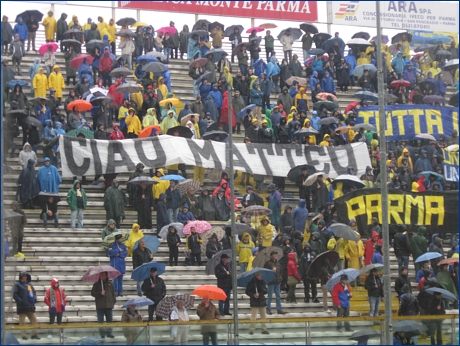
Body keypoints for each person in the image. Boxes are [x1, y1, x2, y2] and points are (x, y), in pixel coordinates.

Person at [13, 271, 39, 340]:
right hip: (22, 307)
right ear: (21, 277)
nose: (25, 277)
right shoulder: (17, 285)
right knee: (22, 322)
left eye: (26, 276)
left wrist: (35, 298)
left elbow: (34, 292)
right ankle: (23, 335)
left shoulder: (29, 284)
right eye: (24, 276)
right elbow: (15, 294)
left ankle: (34, 334)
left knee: (34, 320)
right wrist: (21, 301)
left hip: (30, 306)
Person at [91, 271, 116, 338]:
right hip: (100, 305)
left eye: (103, 275)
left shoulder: (110, 284)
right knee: (100, 321)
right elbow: (92, 293)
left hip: (109, 305)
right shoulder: (96, 284)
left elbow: (113, 293)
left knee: (110, 320)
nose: (102, 276)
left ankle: (109, 333)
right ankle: (102, 334)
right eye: (101, 275)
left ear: (106, 275)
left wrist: (113, 301)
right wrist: (100, 293)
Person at [246, 271, 270, 335]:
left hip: (262, 300)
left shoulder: (263, 282)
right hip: (254, 301)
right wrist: (253, 294)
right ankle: (251, 329)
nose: (261, 276)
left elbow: (265, 291)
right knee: (253, 316)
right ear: (257, 276)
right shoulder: (251, 283)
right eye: (260, 275)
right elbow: (247, 291)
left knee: (263, 316)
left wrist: (260, 293)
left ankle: (264, 329)